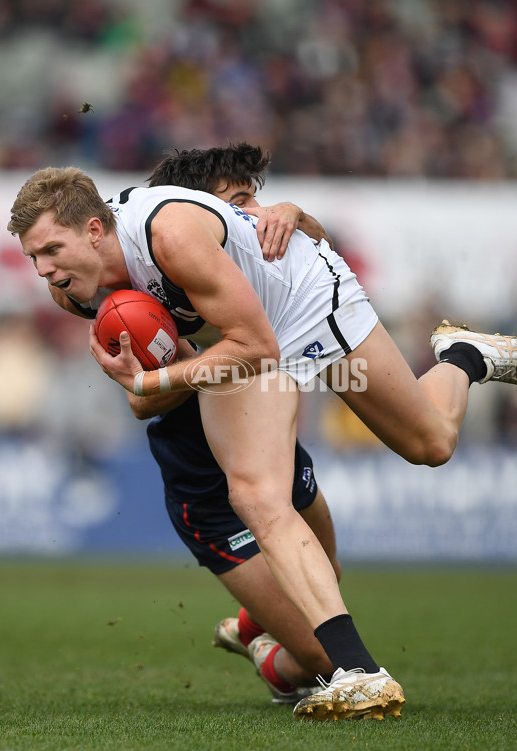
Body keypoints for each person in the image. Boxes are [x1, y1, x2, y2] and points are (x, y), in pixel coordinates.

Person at [9, 161, 517, 721]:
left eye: (51, 250)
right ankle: (360, 673)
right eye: (33, 259)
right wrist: (151, 380)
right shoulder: (78, 295)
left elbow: (254, 349)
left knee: (431, 444)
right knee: (255, 493)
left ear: (95, 231)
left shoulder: (167, 235)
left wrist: (155, 380)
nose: (44, 271)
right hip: (245, 342)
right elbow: (153, 396)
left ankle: (464, 355)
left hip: (306, 303)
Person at [142, 144, 342, 702]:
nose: (253, 212)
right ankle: (267, 657)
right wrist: (195, 368)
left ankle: (251, 627)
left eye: (252, 198)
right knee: (326, 659)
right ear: (193, 217)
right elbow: (142, 403)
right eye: (237, 202)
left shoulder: (256, 257)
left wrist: (296, 214)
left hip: (274, 454)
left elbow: (323, 254)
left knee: (329, 578)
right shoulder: (154, 290)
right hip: (206, 489)